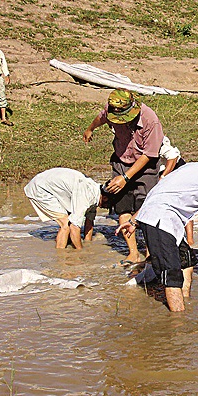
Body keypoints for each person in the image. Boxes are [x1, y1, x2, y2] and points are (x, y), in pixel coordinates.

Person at [118, 148, 198, 312]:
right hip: (161, 220)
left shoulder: (197, 167)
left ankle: (185, 303)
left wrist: (134, 220)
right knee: (171, 276)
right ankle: (178, 324)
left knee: (187, 261)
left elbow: (159, 191)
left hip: (162, 220)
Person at [83, 89, 163, 265]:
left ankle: (150, 252)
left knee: (147, 208)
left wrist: (125, 178)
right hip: (121, 161)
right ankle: (133, 253)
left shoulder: (150, 120)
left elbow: (149, 154)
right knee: (123, 207)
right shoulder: (111, 109)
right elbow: (101, 117)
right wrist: (90, 129)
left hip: (145, 166)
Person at [23, 168, 110, 249]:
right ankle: (61, 256)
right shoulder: (86, 196)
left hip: (48, 183)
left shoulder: (96, 193)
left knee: (70, 221)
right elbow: (74, 227)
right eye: (110, 205)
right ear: (105, 198)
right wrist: (82, 253)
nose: (108, 208)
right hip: (40, 188)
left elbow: (89, 223)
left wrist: (88, 244)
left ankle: (66, 245)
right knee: (66, 225)